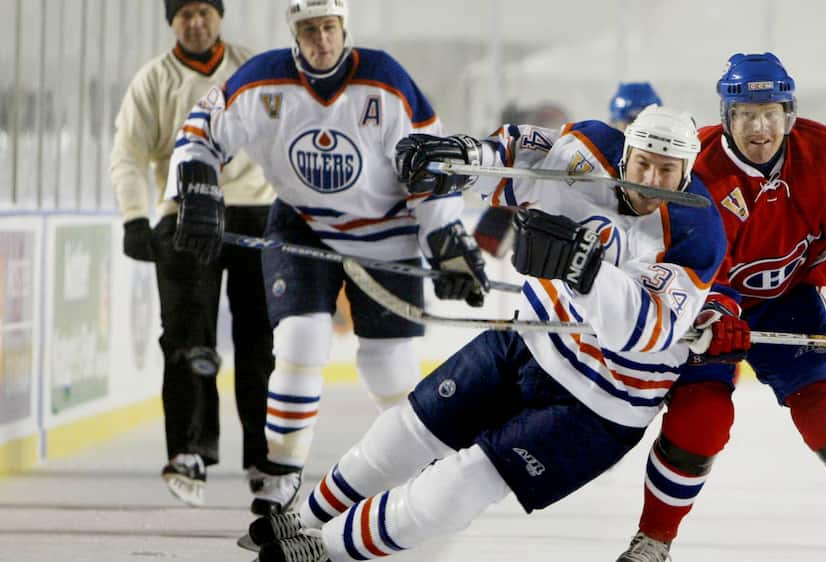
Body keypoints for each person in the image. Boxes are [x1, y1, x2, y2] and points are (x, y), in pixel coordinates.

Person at [241, 105, 729, 562]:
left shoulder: (698, 231)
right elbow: (520, 154)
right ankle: (303, 518)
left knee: (455, 489)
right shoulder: (587, 147)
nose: (653, 181)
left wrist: (585, 271)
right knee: (406, 429)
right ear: (626, 153)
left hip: (602, 402)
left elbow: (646, 331)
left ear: (687, 171)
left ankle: (324, 548)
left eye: (668, 170)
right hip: (530, 341)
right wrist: (464, 160)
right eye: (644, 164)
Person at [164, 0, 487, 516]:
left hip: (387, 232)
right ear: (295, 33)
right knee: (300, 343)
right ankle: (282, 471)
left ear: (344, 28)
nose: (321, 39)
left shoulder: (385, 80)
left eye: (329, 27)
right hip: (303, 227)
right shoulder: (262, 81)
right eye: (309, 29)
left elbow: (432, 165)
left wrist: (443, 238)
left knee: (388, 366)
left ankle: (427, 464)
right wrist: (197, 183)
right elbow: (199, 131)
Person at [615, 53, 826, 562]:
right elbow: (680, 257)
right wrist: (712, 313)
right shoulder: (697, 168)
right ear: (726, 114)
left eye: (771, 113)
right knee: (701, 418)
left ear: (790, 112)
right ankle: (653, 541)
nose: (759, 128)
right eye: (745, 115)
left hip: (790, 300)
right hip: (707, 300)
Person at [109, 0, 275, 507]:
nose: (196, 22)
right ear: (172, 21)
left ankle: (263, 456)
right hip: (182, 217)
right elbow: (128, 156)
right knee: (187, 340)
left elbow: (284, 138)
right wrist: (136, 216)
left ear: (219, 16)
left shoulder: (252, 70)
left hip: (254, 213)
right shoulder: (153, 80)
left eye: (205, 10)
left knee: (259, 342)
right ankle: (189, 450)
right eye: (185, 14)